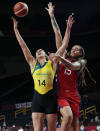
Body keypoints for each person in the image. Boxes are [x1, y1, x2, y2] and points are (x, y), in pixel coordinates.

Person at [11, 15, 71, 131]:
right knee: (37, 129)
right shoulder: (32, 63)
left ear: (45, 54)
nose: (38, 51)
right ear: (36, 55)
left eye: (41, 50)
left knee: (52, 129)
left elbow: (64, 46)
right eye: (37, 51)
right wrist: (15, 30)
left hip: (51, 100)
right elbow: (23, 46)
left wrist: (68, 28)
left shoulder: (52, 62)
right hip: (37, 100)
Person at [46, 2, 87, 131]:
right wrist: (52, 16)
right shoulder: (64, 56)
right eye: (74, 48)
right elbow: (58, 33)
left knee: (75, 126)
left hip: (74, 95)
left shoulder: (81, 62)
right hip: (62, 94)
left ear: (81, 54)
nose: (75, 50)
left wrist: (58, 58)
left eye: (78, 50)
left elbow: (71, 66)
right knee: (67, 116)